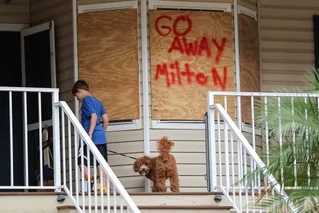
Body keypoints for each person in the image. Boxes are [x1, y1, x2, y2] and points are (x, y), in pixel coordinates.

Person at [72, 80, 109, 193]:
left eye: (77, 96)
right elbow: (106, 119)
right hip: (101, 137)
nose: (78, 99)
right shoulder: (98, 102)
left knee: (81, 161)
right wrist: (101, 132)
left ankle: (89, 177)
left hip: (90, 137)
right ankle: (104, 188)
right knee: (100, 163)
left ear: (80, 91)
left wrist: (90, 134)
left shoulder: (86, 101)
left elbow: (93, 116)